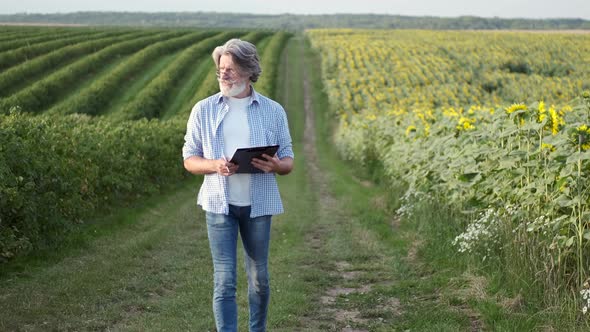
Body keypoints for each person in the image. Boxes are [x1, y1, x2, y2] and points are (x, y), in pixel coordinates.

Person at [182, 38, 294, 332]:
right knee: (224, 279)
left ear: (248, 70)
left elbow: (288, 160)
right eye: (221, 69)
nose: (224, 74)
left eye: (230, 69)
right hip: (219, 204)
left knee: (259, 278)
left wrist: (276, 165)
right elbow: (189, 159)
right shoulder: (203, 110)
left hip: (259, 205)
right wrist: (214, 166)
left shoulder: (273, 110)